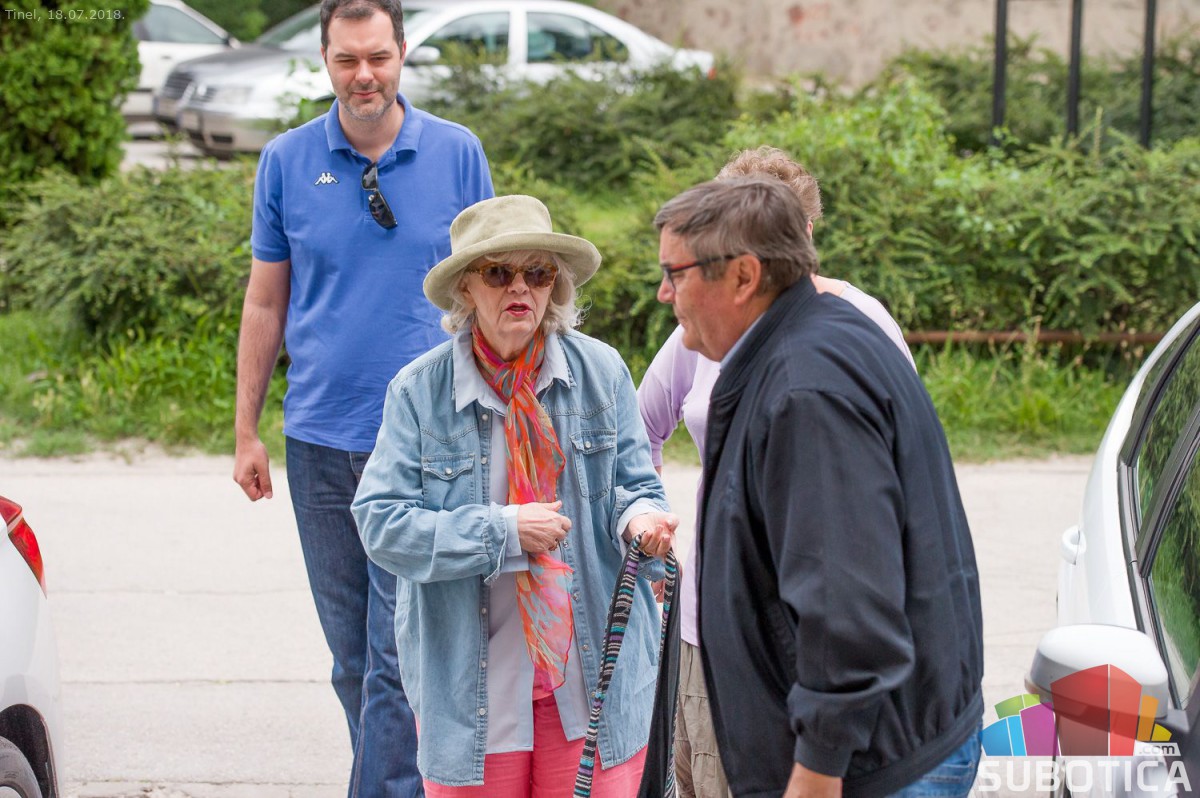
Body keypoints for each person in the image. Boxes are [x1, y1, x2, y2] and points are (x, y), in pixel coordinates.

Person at [232, 0, 493, 793]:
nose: (364, 75)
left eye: (378, 56)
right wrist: (245, 431)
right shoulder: (285, 161)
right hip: (319, 441)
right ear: (325, 60)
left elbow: (494, 289)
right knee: (352, 659)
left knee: (396, 657)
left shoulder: (457, 153)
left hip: (430, 443)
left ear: (403, 52)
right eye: (347, 60)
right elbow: (265, 302)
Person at [653, 177, 984, 798]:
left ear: (744, 276)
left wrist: (816, 770)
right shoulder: (811, 338)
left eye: (676, 273)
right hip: (888, 747)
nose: (664, 293)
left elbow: (846, 605)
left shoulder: (807, 391)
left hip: (871, 767)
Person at [351, 194, 679, 797]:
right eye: (499, 273)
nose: (520, 287)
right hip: (471, 692)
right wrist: (502, 532)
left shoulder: (602, 371)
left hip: (588, 681)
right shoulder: (418, 392)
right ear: (466, 289)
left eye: (539, 272)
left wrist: (642, 522)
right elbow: (381, 523)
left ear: (556, 285)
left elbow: (634, 486)